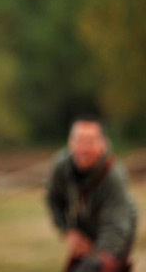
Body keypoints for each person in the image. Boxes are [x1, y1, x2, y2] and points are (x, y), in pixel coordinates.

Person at [46, 115, 137, 272]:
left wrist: (98, 258)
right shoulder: (61, 166)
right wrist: (67, 231)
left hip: (117, 234)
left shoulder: (113, 176)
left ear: (103, 144)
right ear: (70, 142)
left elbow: (116, 227)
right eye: (79, 141)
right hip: (85, 229)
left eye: (90, 141)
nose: (84, 148)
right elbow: (53, 199)